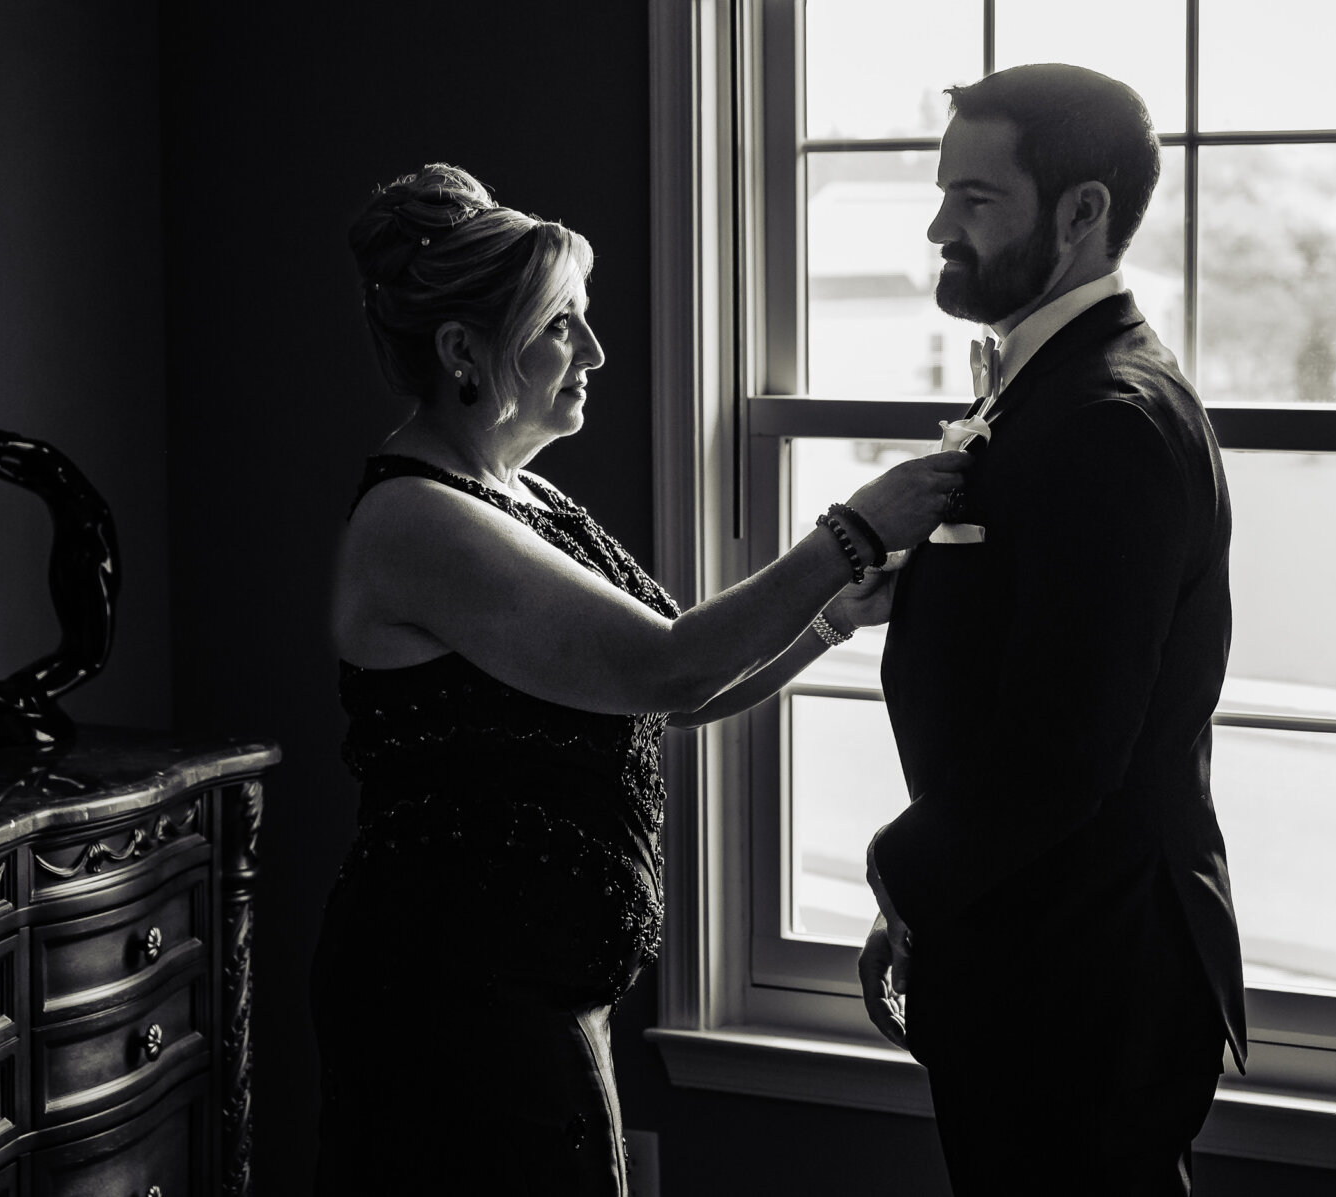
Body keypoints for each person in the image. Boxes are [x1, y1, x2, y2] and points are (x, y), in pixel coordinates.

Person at [311, 163, 965, 1195]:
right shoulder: (417, 521)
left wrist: (833, 616)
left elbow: (672, 691)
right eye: (560, 323)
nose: (595, 350)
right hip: (448, 998)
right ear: (462, 349)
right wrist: (851, 530)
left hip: (531, 991)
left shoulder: (523, 497)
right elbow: (671, 663)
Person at [856, 64, 1247, 1194]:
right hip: (1033, 943)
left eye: (975, 199)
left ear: (1082, 213)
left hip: (1084, 983)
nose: (940, 227)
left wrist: (901, 876)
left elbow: (1065, 746)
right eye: (944, 193)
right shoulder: (1058, 387)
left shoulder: (1108, 418)